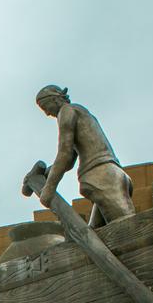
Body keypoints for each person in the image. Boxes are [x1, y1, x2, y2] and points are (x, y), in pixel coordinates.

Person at [34, 85, 135, 228]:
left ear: (55, 99)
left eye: (45, 107)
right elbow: (69, 160)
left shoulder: (66, 111)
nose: (47, 113)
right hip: (111, 173)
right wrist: (50, 172)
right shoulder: (81, 112)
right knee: (94, 234)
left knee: (127, 228)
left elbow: (65, 153)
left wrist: (49, 188)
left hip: (100, 176)